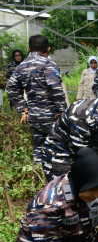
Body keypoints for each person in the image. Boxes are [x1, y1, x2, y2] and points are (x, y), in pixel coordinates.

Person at [6, 35, 67, 165]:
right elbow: (55, 88)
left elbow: (10, 87)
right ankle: (55, 178)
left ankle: (38, 174)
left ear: (28, 49)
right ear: (48, 49)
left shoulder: (21, 67)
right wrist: (62, 109)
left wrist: (23, 107)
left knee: (39, 147)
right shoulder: (48, 65)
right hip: (52, 115)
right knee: (57, 147)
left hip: (34, 115)